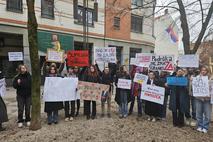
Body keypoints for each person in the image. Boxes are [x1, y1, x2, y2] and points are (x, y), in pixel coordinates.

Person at [195, 66, 212, 133]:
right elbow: (194, 86)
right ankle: (199, 126)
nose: (203, 71)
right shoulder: (197, 78)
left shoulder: (211, 78)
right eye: (202, 70)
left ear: (207, 71)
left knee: (207, 114)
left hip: (207, 99)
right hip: (199, 98)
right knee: (198, 113)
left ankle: (205, 127)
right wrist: (191, 80)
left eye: (205, 70)